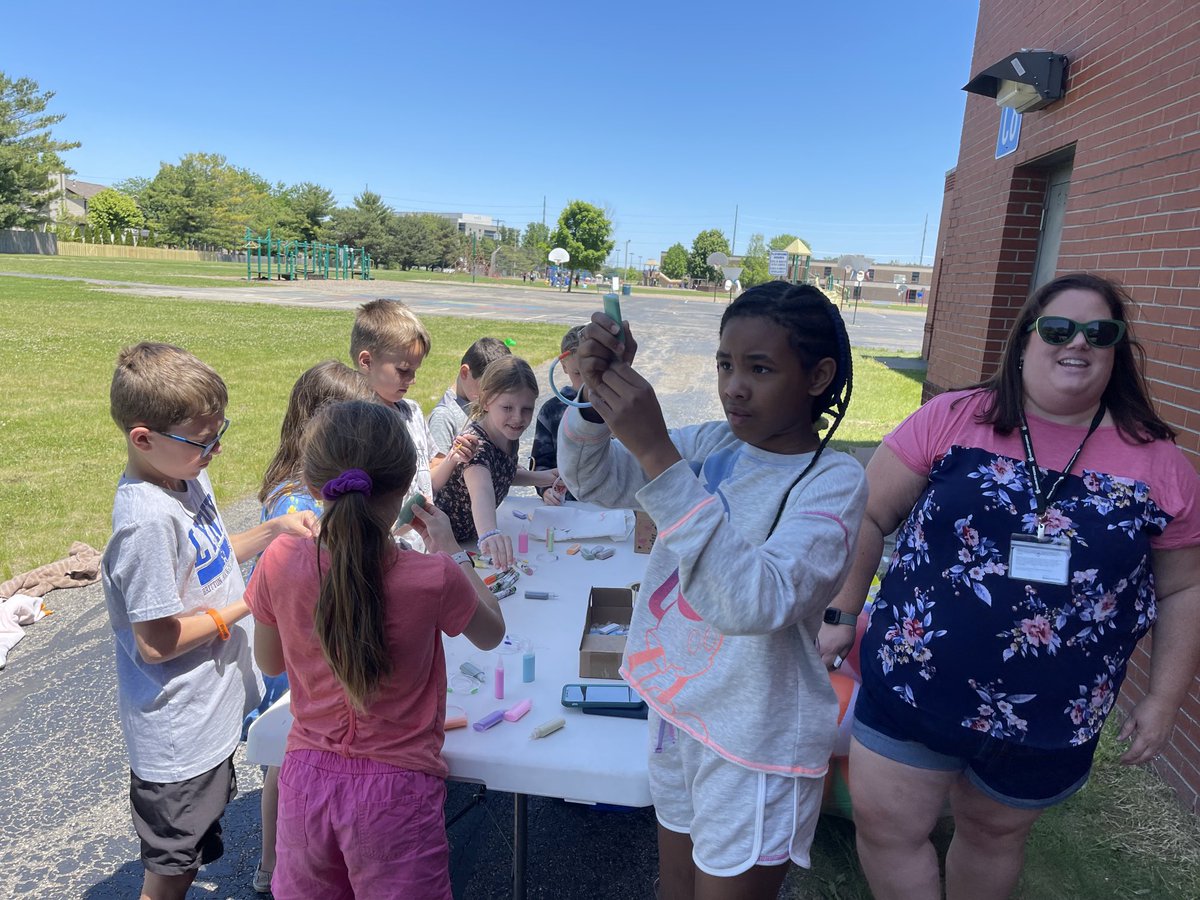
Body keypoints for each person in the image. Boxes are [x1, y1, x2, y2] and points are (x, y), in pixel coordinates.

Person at [819, 273, 1200, 900]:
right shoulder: (953, 418)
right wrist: (841, 611)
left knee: (993, 836)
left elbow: (1184, 590)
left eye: (1099, 333)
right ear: (1024, 340)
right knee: (887, 828)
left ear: (1116, 351)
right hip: (914, 683)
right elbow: (868, 513)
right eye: (1058, 328)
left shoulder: (1159, 463)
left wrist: (1163, 699)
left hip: (1049, 716)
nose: (1077, 342)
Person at [559, 282, 868, 899]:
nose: (734, 385)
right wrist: (593, 405)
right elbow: (595, 479)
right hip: (682, 714)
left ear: (818, 376)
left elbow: (755, 600)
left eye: (760, 368)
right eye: (725, 364)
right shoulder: (715, 445)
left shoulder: (831, 482)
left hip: (754, 743)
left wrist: (655, 452)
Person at [245, 400, 505, 899]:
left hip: (305, 786)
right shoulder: (433, 576)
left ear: (316, 484)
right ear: (407, 483)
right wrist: (452, 550)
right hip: (397, 795)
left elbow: (271, 663)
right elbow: (493, 631)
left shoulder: (280, 558)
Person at [101, 342, 316, 900]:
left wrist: (273, 531)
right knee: (171, 875)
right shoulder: (147, 523)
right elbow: (156, 642)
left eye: (220, 433)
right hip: (178, 737)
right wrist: (253, 600)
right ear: (142, 438)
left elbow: (214, 553)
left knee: (192, 860)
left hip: (210, 718)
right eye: (203, 439)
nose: (215, 450)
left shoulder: (186, 477)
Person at [244, 359, 375, 894]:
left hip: (305, 650)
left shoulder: (305, 489)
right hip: (296, 657)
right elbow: (295, 598)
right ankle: (272, 865)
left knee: (297, 761)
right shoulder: (299, 505)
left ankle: (287, 861)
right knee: (286, 757)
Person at [351, 299, 477, 549]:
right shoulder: (355, 423)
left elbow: (427, 478)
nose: (412, 380)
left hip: (421, 546)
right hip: (383, 551)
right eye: (403, 370)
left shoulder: (413, 412)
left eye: (415, 370)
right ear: (366, 361)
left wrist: (453, 457)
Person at [434, 356, 562, 570]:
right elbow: (481, 488)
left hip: (470, 541)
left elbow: (502, 473)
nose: (518, 418)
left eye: (526, 409)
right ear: (486, 401)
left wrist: (545, 477)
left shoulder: (506, 433)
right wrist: (489, 532)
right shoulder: (476, 445)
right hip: (445, 544)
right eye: (507, 408)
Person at [427, 336, 512, 458]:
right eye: (487, 388)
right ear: (465, 373)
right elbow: (434, 468)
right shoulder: (444, 416)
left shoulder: (482, 404)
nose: (493, 396)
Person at [531, 324, 585, 502]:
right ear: (564, 366)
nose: (586, 381)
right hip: (567, 505)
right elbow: (541, 463)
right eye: (578, 373)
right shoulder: (552, 411)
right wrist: (546, 490)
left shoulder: (617, 407)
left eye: (593, 373)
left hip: (611, 507)